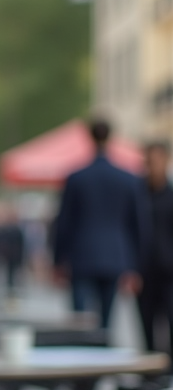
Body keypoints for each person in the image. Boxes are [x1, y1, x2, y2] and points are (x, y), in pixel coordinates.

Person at [52, 119, 146, 329]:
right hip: (115, 255)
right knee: (106, 321)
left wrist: (57, 260)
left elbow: (63, 222)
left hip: (81, 255)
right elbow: (138, 225)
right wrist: (136, 265)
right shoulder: (128, 179)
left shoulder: (76, 178)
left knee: (79, 323)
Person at [139, 140, 173, 356]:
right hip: (144, 272)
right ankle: (150, 369)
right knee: (146, 327)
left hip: (170, 272)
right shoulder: (138, 194)